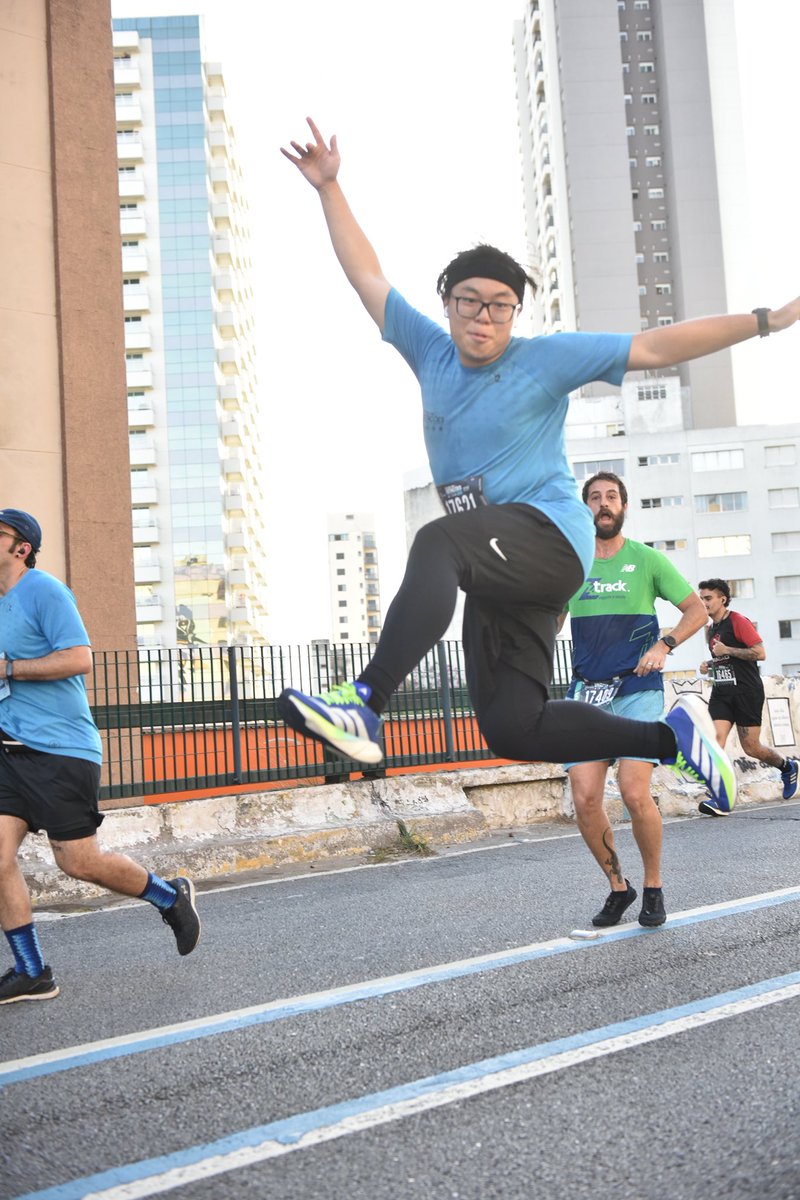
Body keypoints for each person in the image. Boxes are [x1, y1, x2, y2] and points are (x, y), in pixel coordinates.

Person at [277, 116, 800, 816]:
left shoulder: (543, 358)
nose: (484, 319)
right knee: (511, 725)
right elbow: (366, 274)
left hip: (550, 536)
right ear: (449, 305)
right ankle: (672, 738)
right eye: (470, 303)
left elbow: (656, 346)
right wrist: (330, 188)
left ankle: (364, 703)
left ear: (515, 313)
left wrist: (769, 319)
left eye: (501, 307)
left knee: (436, 539)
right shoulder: (427, 348)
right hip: (498, 569)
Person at [0, 510, 200, 1004]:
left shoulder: (43, 590)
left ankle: (169, 896)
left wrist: (9, 667)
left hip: (61, 751)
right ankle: (32, 972)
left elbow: (79, 657)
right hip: (10, 751)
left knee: (79, 862)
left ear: (20, 547)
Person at [561, 473, 706, 928]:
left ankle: (653, 887)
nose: (603, 505)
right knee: (584, 798)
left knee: (633, 791)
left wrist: (663, 645)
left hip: (637, 692)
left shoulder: (645, 560)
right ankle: (618, 888)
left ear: (623, 506)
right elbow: (547, 620)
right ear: (585, 508)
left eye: (611, 497)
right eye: (595, 499)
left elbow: (696, 610)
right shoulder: (571, 566)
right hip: (588, 695)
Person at [698, 578, 798, 812]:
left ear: (722, 599)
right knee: (714, 744)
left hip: (746, 691)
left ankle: (787, 767)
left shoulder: (738, 621)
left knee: (751, 747)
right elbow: (724, 659)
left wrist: (726, 650)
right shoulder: (710, 629)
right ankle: (719, 798)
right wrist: (710, 664)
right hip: (722, 693)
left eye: (708, 598)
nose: (704, 603)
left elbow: (759, 653)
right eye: (701, 598)